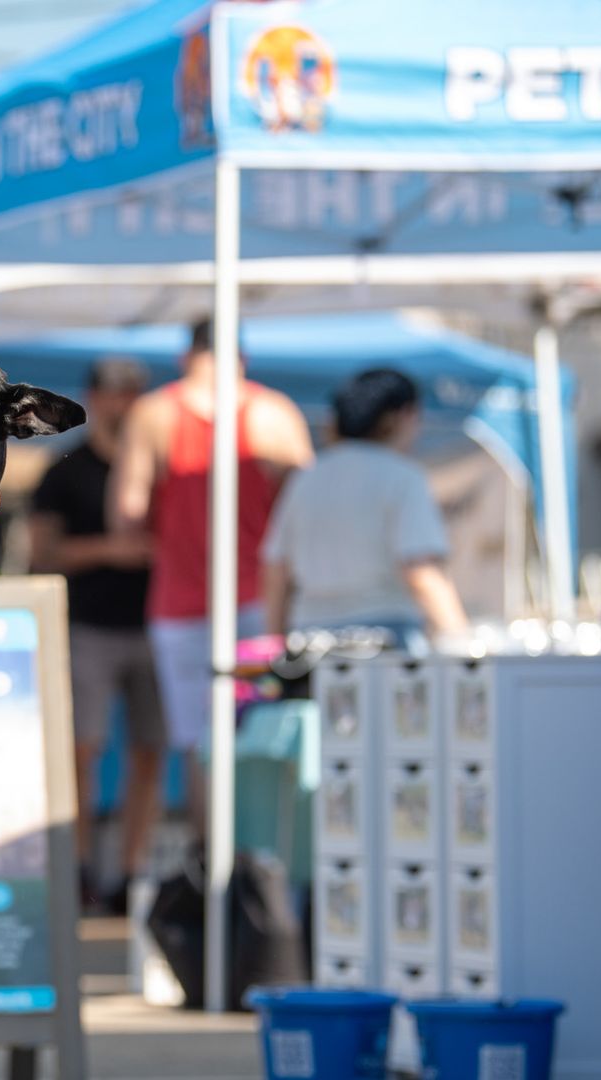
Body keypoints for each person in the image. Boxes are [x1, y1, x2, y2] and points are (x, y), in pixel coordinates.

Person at [110, 319, 313, 836]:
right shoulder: (276, 413)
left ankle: (211, 873)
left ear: (186, 356)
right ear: (242, 357)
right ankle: (268, 860)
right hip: (260, 606)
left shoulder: (153, 414)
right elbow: (308, 512)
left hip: (180, 606)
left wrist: (173, 529)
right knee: (269, 733)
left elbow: (126, 515)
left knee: (200, 745)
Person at [30, 359, 164, 914]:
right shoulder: (65, 469)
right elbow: (42, 553)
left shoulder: (162, 464)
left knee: (150, 754)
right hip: (88, 628)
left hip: (155, 625)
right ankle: (82, 868)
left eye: (131, 393)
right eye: (111, 394)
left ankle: (131, 874)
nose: (121, 403)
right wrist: (112, 550)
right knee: (82, 753)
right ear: (92, 398)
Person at [260, 368, 467, 648]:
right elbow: (421, 570)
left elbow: (277, 568)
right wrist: (462, 638)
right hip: (386, 638)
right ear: (403, 415)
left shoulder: (307, 478)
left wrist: (275, 642)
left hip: (308, 636)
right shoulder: (403, 476)